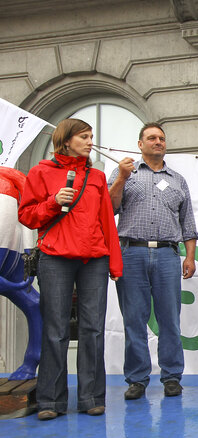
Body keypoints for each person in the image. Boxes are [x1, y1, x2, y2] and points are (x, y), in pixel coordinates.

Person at [18, 118, 122, 420]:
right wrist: (52, 202)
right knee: (56, 329)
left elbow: (106, 222)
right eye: (84, 137)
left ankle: (91, 398)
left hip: (94, 259)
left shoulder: (97, 177)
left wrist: (115, 262)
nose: (90, 141)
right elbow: (27, 215)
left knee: (93, 329)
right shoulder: (39, 172)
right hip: (55, 258)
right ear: (65, 141)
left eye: (91, 136)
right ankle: (51, 401)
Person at [108, 122, 198, 400]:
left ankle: (171, 376)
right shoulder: (125, 172)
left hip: (166, 254)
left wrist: (190, 257)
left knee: (169, 319)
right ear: (140, 144)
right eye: (151, 138)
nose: (158, 142)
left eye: (161, 138)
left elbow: (188, 223)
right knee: (134, 320)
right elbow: (109, 208)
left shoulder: (177, 179)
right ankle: (137, 379)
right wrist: (122, 178)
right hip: (131, 253)